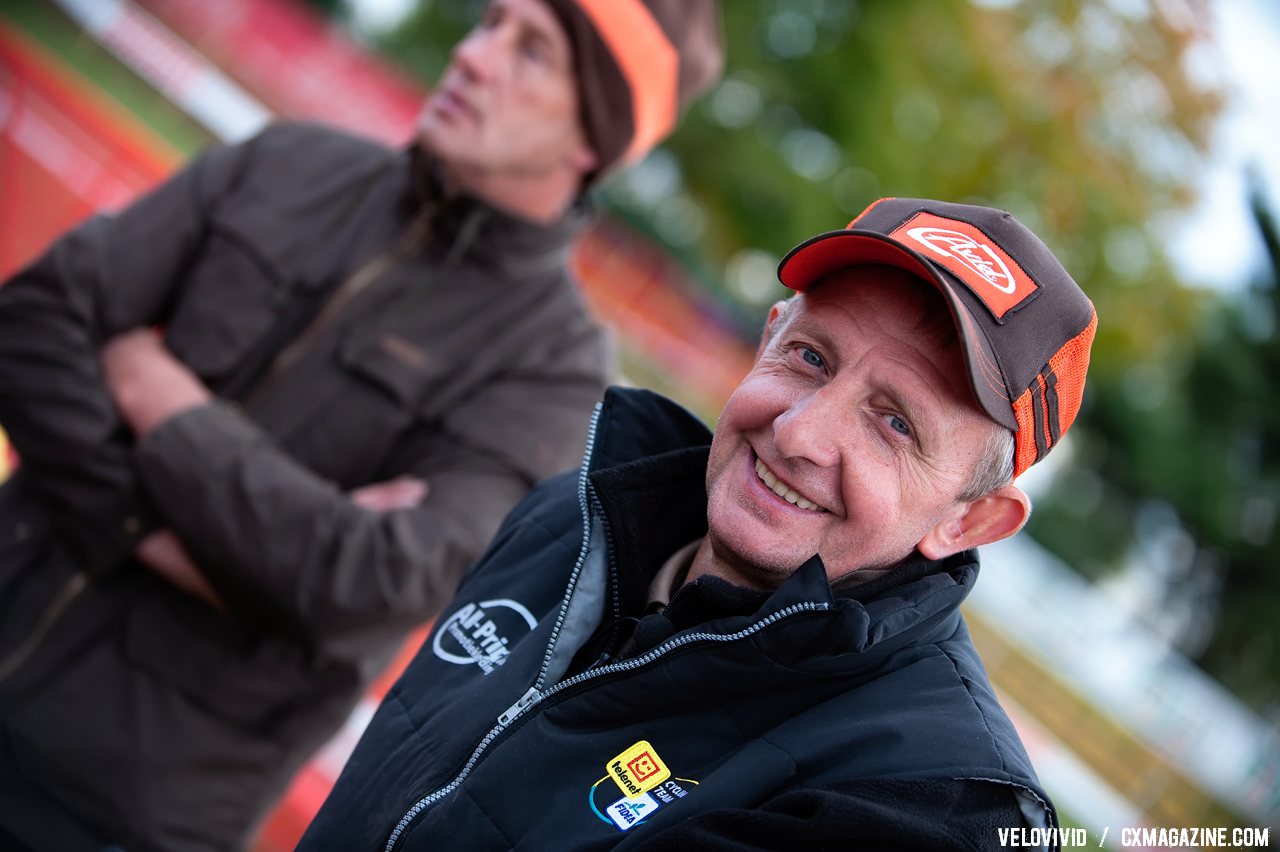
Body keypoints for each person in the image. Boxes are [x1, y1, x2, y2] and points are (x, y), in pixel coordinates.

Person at [0, 1, 722, 848]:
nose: (474, 57)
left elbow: (364, 583)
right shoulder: (289, 161)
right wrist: (163, 534)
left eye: (531, 53)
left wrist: (155, 391)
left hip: (116, 815)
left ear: (593, 139)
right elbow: (31, 322)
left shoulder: (554, 372)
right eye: (489, 23)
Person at [298, 197, 1098, 850]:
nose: (800, 433)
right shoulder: (571, 522)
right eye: (812, 358)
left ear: (969, 521)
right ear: (769, 336)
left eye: (894, 424)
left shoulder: (933, 811)